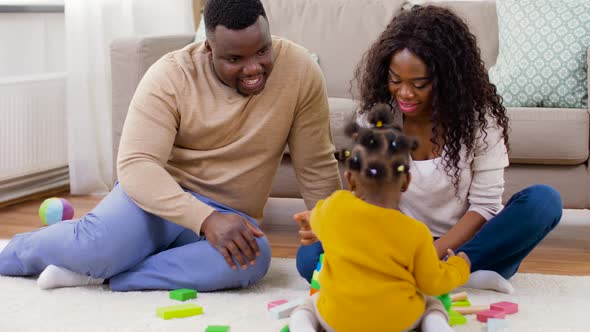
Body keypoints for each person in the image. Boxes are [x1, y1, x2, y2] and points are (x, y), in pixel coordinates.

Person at [0, 0, 341, 292]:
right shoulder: (170, 75)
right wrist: (204, 218)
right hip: (157, 204)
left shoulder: (300, 71)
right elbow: (136, 166)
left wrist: (340, 235)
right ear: (209, 49)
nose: (254, 68)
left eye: (263, 51)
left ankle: (110, 277)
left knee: (253, 260)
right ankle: (17, 252)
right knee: (96, 247)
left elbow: (316, 167)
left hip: (230, 214)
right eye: (235, 59)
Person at [295, 4, 562, 294]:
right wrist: (333, 224)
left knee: (543, 201)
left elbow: (485, 206)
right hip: (400, 242)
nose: (405, 93)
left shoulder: (479, 122)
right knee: (309, 258)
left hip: (466, 246)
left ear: (447, 80)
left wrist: (429, 256)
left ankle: (443, 271)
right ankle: (450, 278)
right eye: (395, 80)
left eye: (419, 84)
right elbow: (371, 200)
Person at [289, 105, 471, 332]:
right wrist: (458, 268)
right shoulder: (416, 232)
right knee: (431, 303)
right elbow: (432, 283)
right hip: (397, 322)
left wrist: (309, 220)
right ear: (405, 182)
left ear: (350, 179)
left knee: (308, 306)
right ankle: (437, 327)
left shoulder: (334, 207)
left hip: (339, 321)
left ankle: (302, 327)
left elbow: (315, 217)